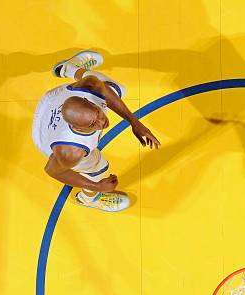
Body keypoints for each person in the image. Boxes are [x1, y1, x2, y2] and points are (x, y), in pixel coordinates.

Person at [32, 50, 161, 211]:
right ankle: (89, 199)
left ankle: (69, 68)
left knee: (115, 89)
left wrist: (134, 122)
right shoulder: (71, 151)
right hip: (44, 134)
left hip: (51, 99)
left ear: (88, 101)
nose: (103, 122)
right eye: (93, 124)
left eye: (98, 112)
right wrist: (97, 186)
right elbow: (52, 170)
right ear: (78, 128)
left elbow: (103, 91)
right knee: (99, 167)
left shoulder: (89, 86)